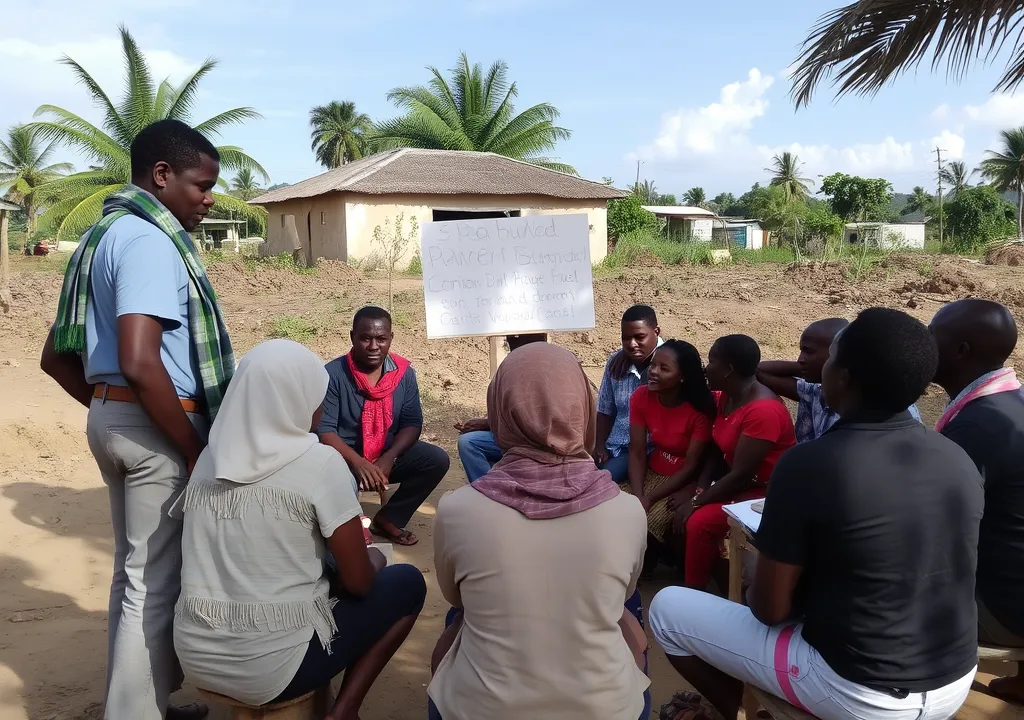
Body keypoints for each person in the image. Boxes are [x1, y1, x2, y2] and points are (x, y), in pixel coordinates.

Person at [649, 308, 982, 720]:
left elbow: (769, 610)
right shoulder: (956, 457)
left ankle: (745, 713)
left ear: (842, 377)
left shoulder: (811, 464)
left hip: (859, 692)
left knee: (667, 611)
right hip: (954, 681)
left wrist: (756, 573)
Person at [39, 119, 234, 720]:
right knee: (151, 585)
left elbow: (54, 357)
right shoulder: (150, 241)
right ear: (161, 175)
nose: (207, 199)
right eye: (201, 185)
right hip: (156, 427)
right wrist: (190, 448)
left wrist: (109, 410)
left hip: (118, 418)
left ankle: (142, 698)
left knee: (134, 579)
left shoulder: (103, 235)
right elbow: (140, 358)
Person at [174, 340, 425, 720]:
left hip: (195, 655)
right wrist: (373, 557)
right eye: (317, 397)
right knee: (407, 584)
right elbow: (358, 584)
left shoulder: (211, 455)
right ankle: (345, 712)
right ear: (297, 399)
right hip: (272, 668)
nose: (321, 408)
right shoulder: (319, 462)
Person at [428, 343, 652, 720]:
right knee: (627, 612)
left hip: (481, 709)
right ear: (583, 406)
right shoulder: (626, 510)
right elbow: (623, 597)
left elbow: (456, 597)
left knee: (459, 620)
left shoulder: (458, 510)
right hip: (603, 709)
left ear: (500, 408)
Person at [930, 299, 1024, 700]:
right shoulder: (1009, 405)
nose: (923, 345)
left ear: (960, 351)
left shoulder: (977, 426)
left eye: (931, 336)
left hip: (1005, 608)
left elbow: (930, 524)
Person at [318, 306, 449, 546]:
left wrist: (388, 458)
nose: (373, 346)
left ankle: (389, 518)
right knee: (329, 472)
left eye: (381, 339)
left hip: (386, 456)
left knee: (436, 460)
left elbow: (412, 423)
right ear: (352, 337)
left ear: (390, 339)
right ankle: (350, 529)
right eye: (365, 338)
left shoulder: (403, 374)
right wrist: (358, 463)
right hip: (344, 459)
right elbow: (325, 430)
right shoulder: (332, 374)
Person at [674, 334, 795, 592]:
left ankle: (694, 592)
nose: (707, 367)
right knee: (693, 515)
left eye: (711, 360)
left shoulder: (763, 411)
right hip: (740, 485)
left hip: (765, 495)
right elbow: (716, 449)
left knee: (699, 522)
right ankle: (722, 586)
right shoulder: (724, 397)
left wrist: (696, 501)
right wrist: (700, 489)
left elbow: (741, 474)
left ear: (728, 369)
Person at [757, 318, 921, 443]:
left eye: (808, 352)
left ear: (837, 353)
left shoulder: (870, 410)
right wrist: (810, 368)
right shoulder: (822, 389)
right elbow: (758, 371)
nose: (801, 359)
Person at [624, 340, 715, 545]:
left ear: (682, 377)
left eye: (664, 368)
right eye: (653, 365)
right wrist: (640, 496)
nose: (653, 372)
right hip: (651, 472)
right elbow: (637, 450)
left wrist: (649, 499)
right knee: (614, 509)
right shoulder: (641, 396)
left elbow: (691, 466)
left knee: (649, 524)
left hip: (682, 480)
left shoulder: (699, 411)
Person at [455, 333, 548, 482]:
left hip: (543, 441)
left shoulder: (547, 369)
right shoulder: (512, 367)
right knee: (468, 442)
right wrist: (486, 421)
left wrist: (487, 424)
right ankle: (488, 489)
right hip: (513, 435)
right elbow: (505, 408)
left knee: (470, 443)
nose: (509, 342)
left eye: (514, 338)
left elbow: (529, 419)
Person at [596, 305, 664, 483]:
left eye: (639, 337)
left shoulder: (671, 360)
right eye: (626, 338)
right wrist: (600, 446)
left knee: (600, 481)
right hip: (615, 445)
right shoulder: (616, 360)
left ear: (656, 331)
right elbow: (605, 409)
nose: (632, 344)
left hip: (647, 449)